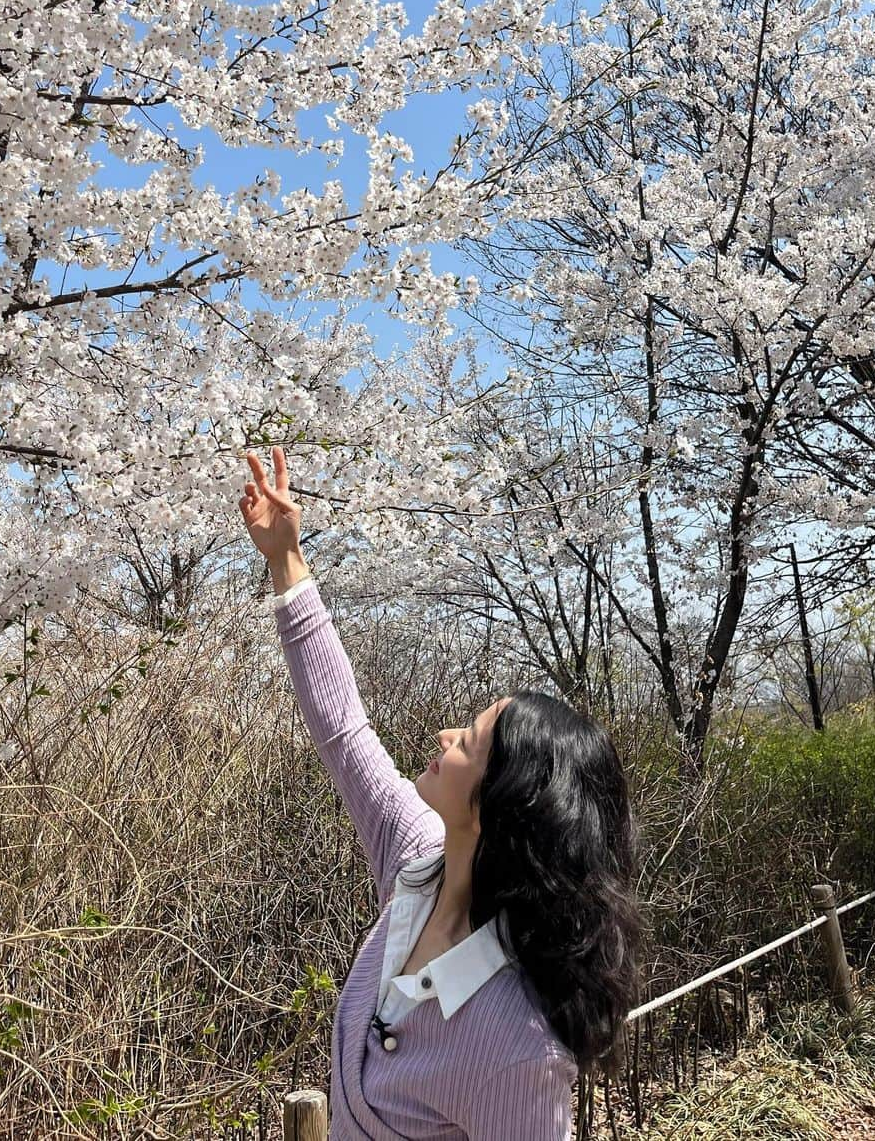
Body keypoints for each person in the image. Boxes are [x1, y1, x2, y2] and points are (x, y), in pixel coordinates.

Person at [239, 446, 644, 1139]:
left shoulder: (517, 1047)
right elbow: (344, 732)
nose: (446, 733)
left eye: (473, 740)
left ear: (508, 800)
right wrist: (286, 562)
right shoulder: (416, 866)